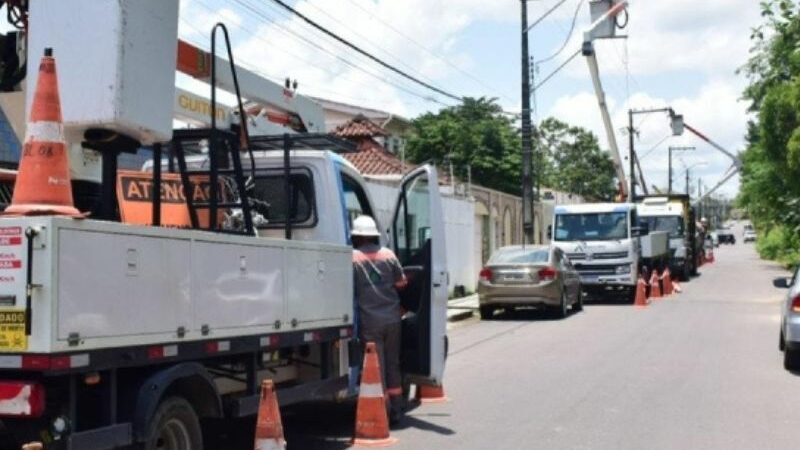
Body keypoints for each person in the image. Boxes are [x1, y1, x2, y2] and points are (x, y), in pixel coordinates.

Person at [350, 215, 407, 423]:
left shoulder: (353, 258)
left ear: (356, 237)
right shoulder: (388, 255)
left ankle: (382, 410)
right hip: (393, 319)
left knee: (376, 367)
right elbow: (402, 283)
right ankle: (398, 408)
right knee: (392, 363)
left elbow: (350, 289)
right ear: (374, 235)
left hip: (370, 322)